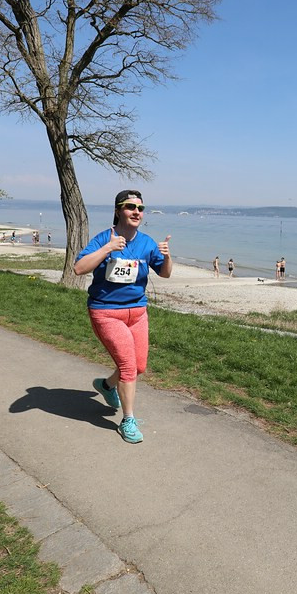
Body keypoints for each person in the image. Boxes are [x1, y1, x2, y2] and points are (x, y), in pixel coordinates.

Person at [74, 190, 172, 444]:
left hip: (138, 313)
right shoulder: (103, 239)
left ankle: (107, 386)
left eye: (140, 208)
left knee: (139, 366)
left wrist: (168, 256)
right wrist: (108, 247)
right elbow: (79, 268)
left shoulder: (147, 242)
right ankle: (128, 419)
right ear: (118, 210)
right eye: (130, 207)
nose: (136, 212)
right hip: (106, 312)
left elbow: (164, 273)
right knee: (129, 368)